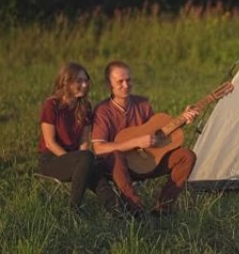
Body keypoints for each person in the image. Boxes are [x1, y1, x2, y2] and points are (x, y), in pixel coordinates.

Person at [92, 60, 199, 216]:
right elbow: (98, 148)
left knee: (187, 156)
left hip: (146, 162)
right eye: (120, 82)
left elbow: (157, 135)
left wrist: (182, 120)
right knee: (115, 155)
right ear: (109, 84)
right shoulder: (102, 110)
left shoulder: (143, 103)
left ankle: (163, 209)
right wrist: (135, 142)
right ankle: (135, 208)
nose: (126, 85)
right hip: (119, 168)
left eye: (128, 80)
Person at [37, 62, 118, 214]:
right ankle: (74, 209)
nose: (84, 84)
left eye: (86, 80)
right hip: (52, 160)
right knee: (87, 159)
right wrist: (75, 160)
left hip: (78, 159)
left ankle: (117, 210)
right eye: (79, 81)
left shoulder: (85, 107)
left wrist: (83, 161)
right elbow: (50, 142)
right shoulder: (51, 105)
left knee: (92, 165)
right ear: (65, 82)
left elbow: (84, 141)